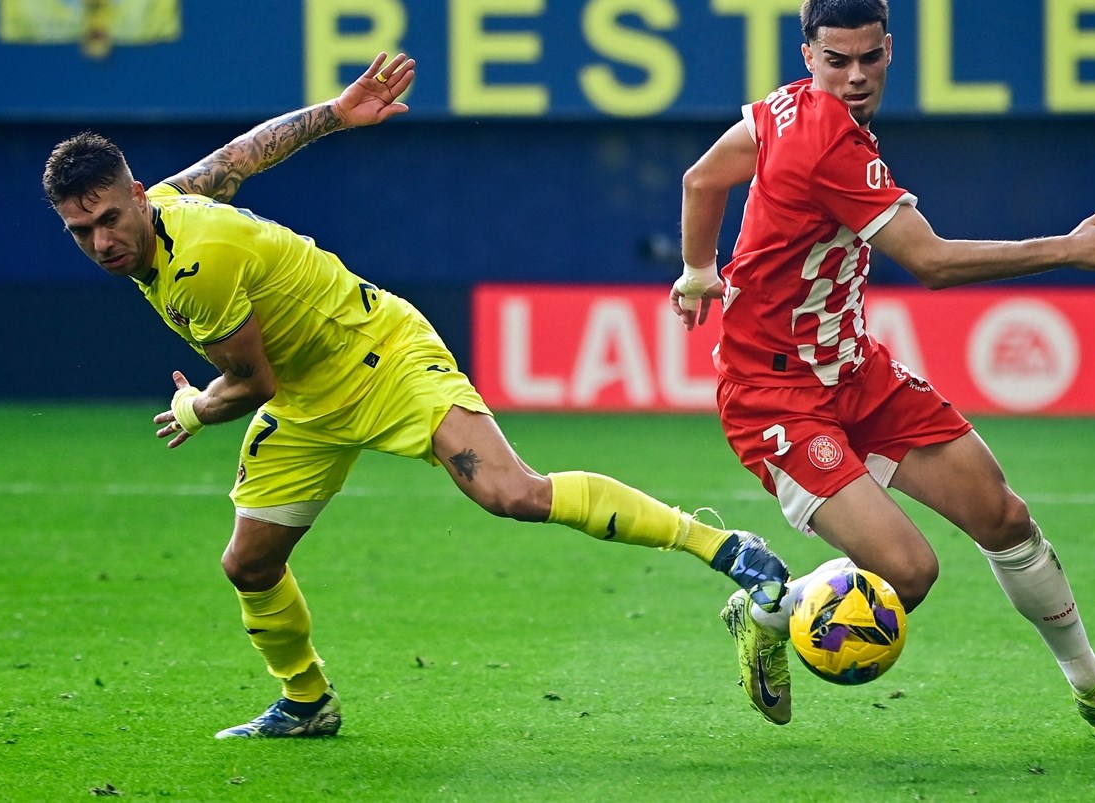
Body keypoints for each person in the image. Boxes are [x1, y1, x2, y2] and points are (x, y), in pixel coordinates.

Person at [44, 52, 789, 739]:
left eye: (110, 217)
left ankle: (726, 547)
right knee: (249, 566)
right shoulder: (167, 208)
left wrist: (193, 407)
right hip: (310, 400)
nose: (102, 240)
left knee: (512, 493)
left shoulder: (196, 266)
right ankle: (306, 702)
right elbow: (242, 155)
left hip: (383, 356)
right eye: (81, 230)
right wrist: (333, 113)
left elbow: (249, 382)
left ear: (137, 196)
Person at [669, 0, 1095, 732]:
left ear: (889, 50)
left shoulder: (784, 108)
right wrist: (1066, 249)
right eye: (837, 60)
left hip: (855, 370)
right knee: (907, 574)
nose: (855, 75)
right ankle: (768, 608)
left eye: (869, 57)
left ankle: (1092, 682)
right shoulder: (826, 142)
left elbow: (702, 178)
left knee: (1003, 515)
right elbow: (934, 262)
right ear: (808, 54)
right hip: (774, 394)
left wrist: (696, 271)